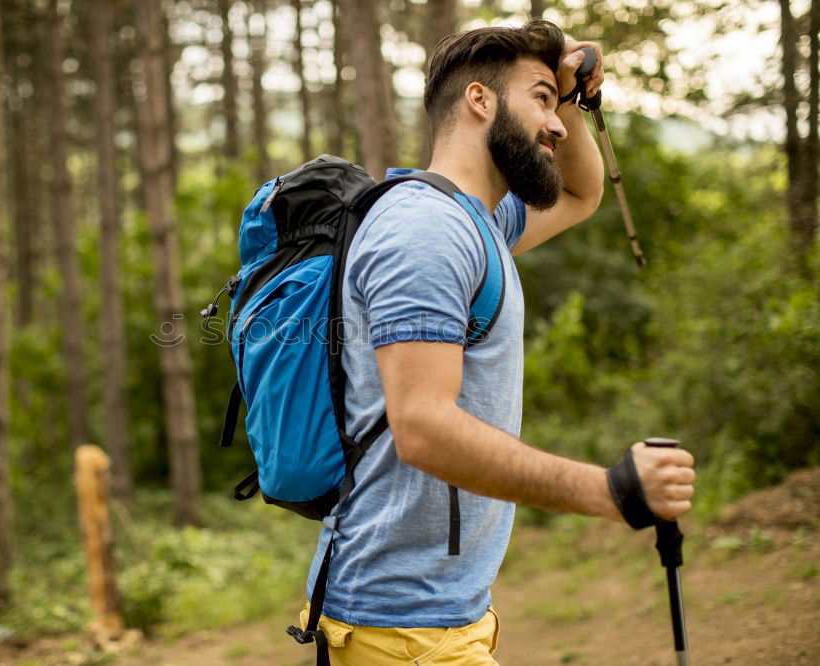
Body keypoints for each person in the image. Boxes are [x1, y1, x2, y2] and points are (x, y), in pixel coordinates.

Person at [298, 20, 697, 665]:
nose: (560, 125)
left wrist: (566, 89)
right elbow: (422, 427)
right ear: (479, 100)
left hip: (436, 616)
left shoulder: (477, 222)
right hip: (404, 628)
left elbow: (581, 191)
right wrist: (610, 490)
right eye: (540, 98)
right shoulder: (424, 232)